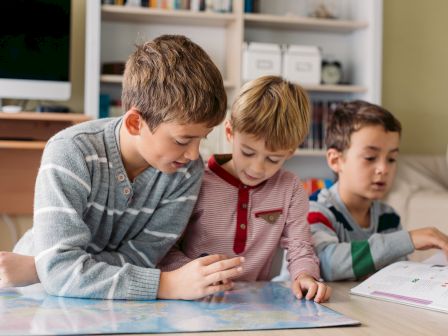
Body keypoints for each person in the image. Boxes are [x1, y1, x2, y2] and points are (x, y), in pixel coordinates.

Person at [0, 35, 244, 300]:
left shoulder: (186, 170)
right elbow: (60, 272)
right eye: (182, 139)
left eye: (203, 138)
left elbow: (141, 258)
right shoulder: (70, 151)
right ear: (134, 123)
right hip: (33, 294)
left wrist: (44, 268)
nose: (194, 153)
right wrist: (166, 285)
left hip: (51, 278)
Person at [159, 75, 331, 303]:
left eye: (273, 158)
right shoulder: (196, 179)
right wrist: (193, 275)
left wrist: (305, 275)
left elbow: (300, 247)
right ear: (230, 132)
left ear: (290, 152)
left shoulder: (290, 189)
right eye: (248, 152)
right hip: (192, 299)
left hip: (255, 303)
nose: (257, 168)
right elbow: (166, 248)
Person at [308, 100, 448, 281]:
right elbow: (326, 264)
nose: (383, 169)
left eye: (391, 159)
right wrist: (409, 239)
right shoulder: (316, 211)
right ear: (336, 160)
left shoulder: (388, 217)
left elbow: (396, 273)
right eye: (370, 157)